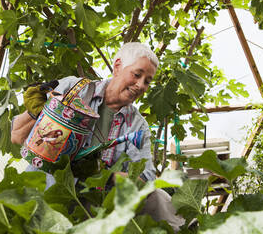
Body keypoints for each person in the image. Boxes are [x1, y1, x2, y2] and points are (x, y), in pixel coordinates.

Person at [11, 42, 184, 231]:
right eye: (137, 74)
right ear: (117, 66)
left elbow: (145, 179)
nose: (141, 85)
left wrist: (103, 175)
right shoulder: (74, 89)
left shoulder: (137, 126)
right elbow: (17, 136)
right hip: (40, 199)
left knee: (159, 196)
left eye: (147, 81)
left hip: (88, 217)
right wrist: (39, 113)